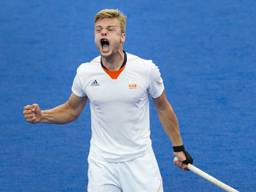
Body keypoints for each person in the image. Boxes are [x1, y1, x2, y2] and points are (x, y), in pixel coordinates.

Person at [23, 9, 193, 192]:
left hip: (139, 162)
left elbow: (163, 107)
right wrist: (43, 116)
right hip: (102, 164)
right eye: (98, 30)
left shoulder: (146, 69)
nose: (103, 33)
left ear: (122, 37)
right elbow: (71, 110)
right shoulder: (85, 72)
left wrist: (178, 146)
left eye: (110, 29)